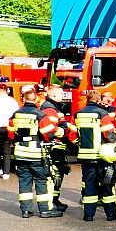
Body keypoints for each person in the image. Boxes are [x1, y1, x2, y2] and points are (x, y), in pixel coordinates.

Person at [7, 85, 62, 218]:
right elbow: (48, 133)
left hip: (20, 152)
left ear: (23, 99)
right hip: (36, 153)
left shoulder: (16, 114)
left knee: (24, 182)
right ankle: (44, 210)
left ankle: (26, 210)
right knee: (41, 181)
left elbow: (10, 132)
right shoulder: (39, 114)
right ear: (36, 98)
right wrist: (60, 132)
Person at [75, 90, 116, 221]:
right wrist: (113, 146)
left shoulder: (78, 114)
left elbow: (73, 134)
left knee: (89, 185)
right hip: (101, 155)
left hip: (85, 156)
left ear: (87, 99)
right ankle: (111, 214)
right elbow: (109, 134)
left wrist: (79, 144)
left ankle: (88, 215)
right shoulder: (102, 113)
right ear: (98, 100)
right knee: (107, 185)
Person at [39, 84, 78, 212]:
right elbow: (52, 130)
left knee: (58, 174)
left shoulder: (55, 107)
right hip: (53, 147)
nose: (64, 96)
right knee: (54, 175)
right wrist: (65, 132)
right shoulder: (49, 109)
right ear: (54, 95)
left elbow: (64, 124)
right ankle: (52, 202)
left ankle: (55, 200)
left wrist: (74, 133)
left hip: (58, 146)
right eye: (61, 94)